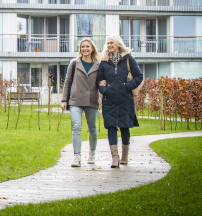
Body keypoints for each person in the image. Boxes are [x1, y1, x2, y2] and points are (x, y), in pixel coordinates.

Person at [96, 34, 143, 168]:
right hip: (109, 100)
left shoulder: (128, 59)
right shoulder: (104, 62)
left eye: (112, 43)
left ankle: (125, 157)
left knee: (124, 127)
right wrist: (105, 90)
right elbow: (99, 81)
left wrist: (126, 87)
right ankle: (115, 158)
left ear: (118, 44)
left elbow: (139, 76)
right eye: (108, 43)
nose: (109, 45)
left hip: (125, 100)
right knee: (111, 127)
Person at [61, 38, 101, 167]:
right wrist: (64, 99)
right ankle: (77, 156)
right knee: (76, 127)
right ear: (80, 49)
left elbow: (102, 82)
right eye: (82, 46)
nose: (85, 49)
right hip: (75, 100)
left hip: (92, 100)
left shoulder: (98, 65)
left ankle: (92, 153)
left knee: (92, 129)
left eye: (87, 46)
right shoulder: (74, 63)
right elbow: (67, 82)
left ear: (92, 48)